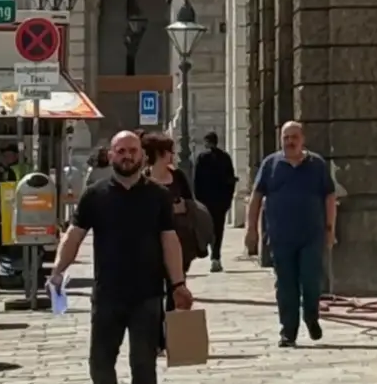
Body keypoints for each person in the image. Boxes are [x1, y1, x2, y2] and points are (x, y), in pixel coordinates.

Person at [49, 126, 193, 384]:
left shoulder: (157, 196)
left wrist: (178, 284)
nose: (127, 156)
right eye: (121, 151)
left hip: (148, 294)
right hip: (107, 294)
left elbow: (169, 241)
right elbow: (74, 236)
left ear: (142, 155)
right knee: (99, 362)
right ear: (111, 155)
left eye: (133, 151)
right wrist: (58, 271)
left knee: (143, 365)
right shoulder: (95, 195)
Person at [245, 118, 336, 346]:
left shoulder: (317, 164)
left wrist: (330, 229)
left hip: (311, 236)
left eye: (294, 137)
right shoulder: (270, 164)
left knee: (311, 281)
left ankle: (311, 317)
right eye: (285, 137)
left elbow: (329, 197)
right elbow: (256, 198)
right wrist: (251, 229)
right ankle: (288, 331)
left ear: (302, 139)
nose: (289, 141)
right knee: (286, 285)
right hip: (281, 237)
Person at [141, 132, 213, 280]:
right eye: (169, 151)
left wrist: (184, 206)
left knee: (177, 279)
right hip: (151, 241)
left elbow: (190, 202)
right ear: (159, 153)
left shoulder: (178, 176)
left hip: (180, 239)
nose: (172, 155)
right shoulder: (142, 179)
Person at [191, 132, 238, 272]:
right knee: (218, 228)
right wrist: (228, 199)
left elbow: (196, 181)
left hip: (205, 201)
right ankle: (216, 256)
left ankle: (208, 250)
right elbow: (231, 180)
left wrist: (197, 200)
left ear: (206, 142)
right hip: (220, 201)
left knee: (206, 228)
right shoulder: (225, 158)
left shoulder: (201, 158)